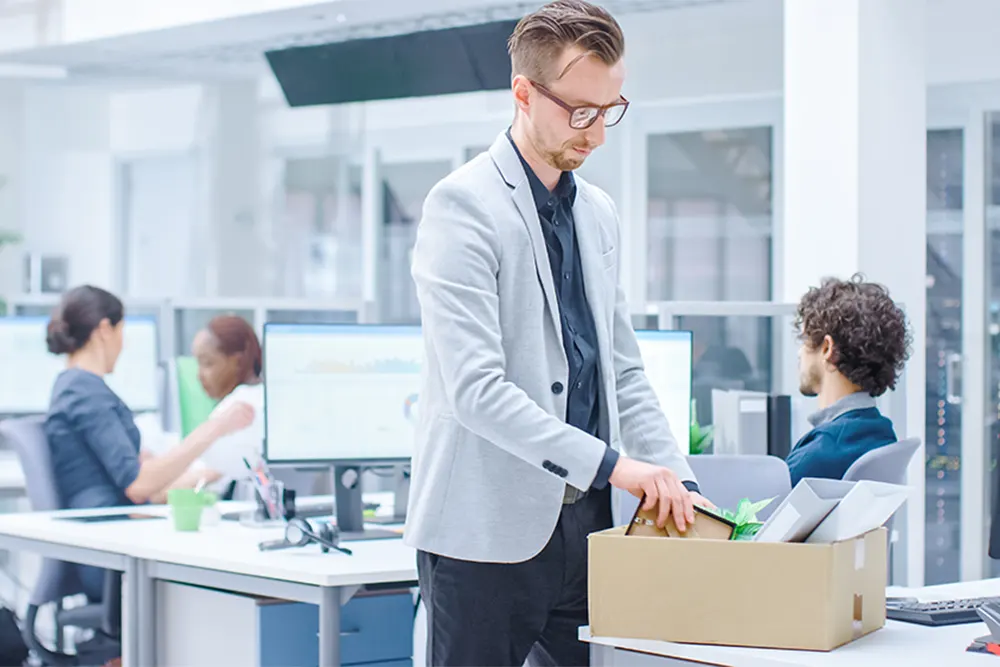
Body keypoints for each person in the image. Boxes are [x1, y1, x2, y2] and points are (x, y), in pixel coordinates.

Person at [406, 2, 708, 664]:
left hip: (589, 527)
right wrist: (614, 464)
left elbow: (621, 370)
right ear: (523, 93)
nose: (596, 135)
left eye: (610, 110)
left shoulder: (597, 213)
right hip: (484, 537)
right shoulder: (462, 207)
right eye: (580, 112)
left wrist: (681, 485)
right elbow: (477, 391)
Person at [44, 285, 254, 601]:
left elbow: (138, 478)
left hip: (117, 538)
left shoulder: (81, 388)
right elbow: (138, 485)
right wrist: (215, 429)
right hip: (109, 553)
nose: (124, 344)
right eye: (122, 331)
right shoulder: (82, 391)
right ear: (105, 329)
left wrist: (197, 468)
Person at [785, 275, 912, 486]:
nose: (800, 353)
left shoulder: (816, 457)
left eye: (805, 339)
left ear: (827, 349)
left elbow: (760, 509)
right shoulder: (881, 433)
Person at [191, 315, 265, 489]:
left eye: (208, 363)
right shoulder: (263, 396)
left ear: (237, 362)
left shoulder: (237, 407)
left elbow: (196, 479)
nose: (199, 375)